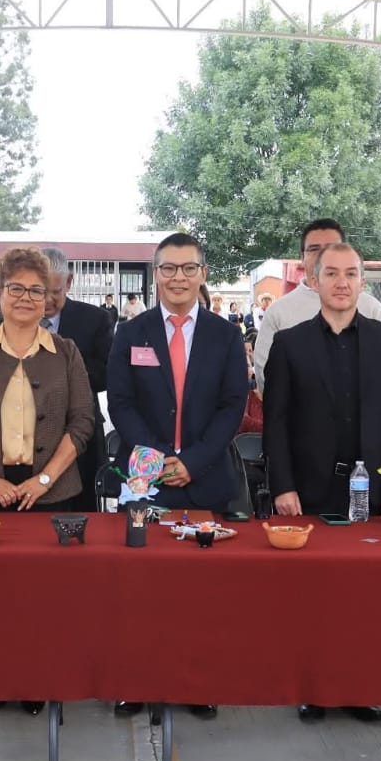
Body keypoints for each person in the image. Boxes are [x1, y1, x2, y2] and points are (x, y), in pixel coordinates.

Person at [263, 242, 381, 724]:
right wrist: (282, 485)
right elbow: (276, 423)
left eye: (351, 273)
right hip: (310, 489)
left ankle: (359, 687)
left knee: (366, 594)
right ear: (314, 281)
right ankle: (313, 687)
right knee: (314, 595)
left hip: (372, 490)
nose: (342, 282)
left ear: (363, 282)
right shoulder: (291, 343)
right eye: (331, 273)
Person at [0, 248, 94, 717]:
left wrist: (46, 479)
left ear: (49, 298)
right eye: (17, 288)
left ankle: (37, 682)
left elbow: (82, 422)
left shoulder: (67, 353)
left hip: (51, 492)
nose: (27, 298)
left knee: (42, 596)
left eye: (37, 290)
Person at [107, 233, 247, 720]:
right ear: (155, 274)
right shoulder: (131, 333)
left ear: (203, 274)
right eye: (168, 268)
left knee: (199, 592)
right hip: (146, 479)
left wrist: (193, 460)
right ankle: (135, 680)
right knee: (140, 587)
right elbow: (121, 403)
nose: (178, 278)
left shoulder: (226, 335)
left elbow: (234, 405)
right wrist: (160, 456)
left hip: (205, 477)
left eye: (189, 268)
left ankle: (197, 682)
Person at [252, 219, 381, 391]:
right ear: (302, 258)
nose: (324, 256)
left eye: (332, 248)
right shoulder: (278, 312)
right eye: (314, 249)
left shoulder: (371, 308)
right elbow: (267, 377)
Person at [38, 248, 113, 512]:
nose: (45, 300)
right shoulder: (3, 317)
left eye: (54, 292)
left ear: (68, 283)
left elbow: (106, 375)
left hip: (81, 438)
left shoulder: (94, 319)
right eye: (38, 290)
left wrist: (62, 361)